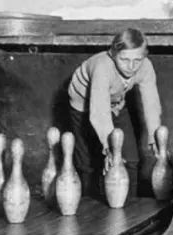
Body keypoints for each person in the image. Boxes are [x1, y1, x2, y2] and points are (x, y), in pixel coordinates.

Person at [67, 28, 162, 199]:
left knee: (131, 159)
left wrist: (154, 136)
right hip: (83, 105)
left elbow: (151, 102)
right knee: (88, 163)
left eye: (137, 60)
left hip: (116, 103)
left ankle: (131, 203)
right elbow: (99, 111)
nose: (131, 67)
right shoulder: (102, 67)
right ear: (112, 54)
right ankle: (88, 206)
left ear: (144, 56)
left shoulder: (146, 66)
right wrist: (109, 147)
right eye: (124, 60)